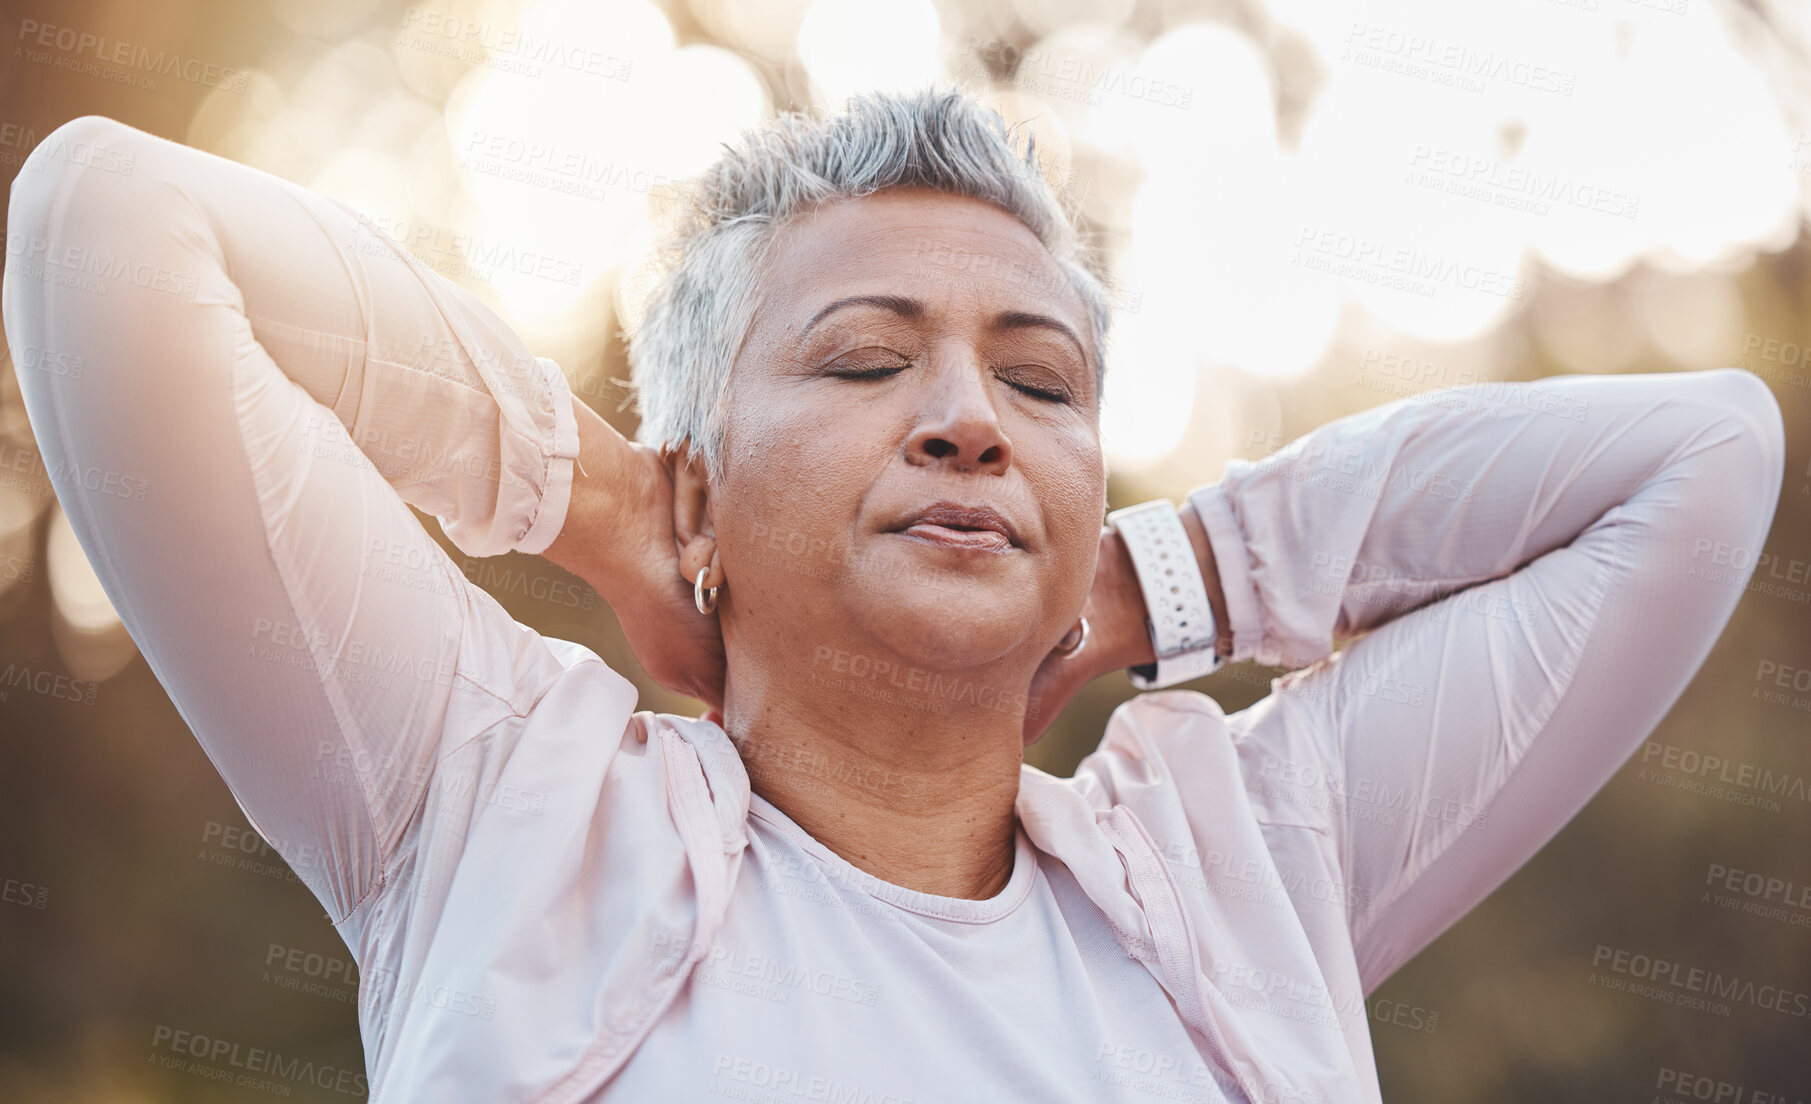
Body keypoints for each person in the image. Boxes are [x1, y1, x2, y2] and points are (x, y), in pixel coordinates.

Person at [2, 88, 1784, 1103]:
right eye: (862, 361)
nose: (964, 421)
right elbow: (107, 223)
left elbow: (1700, 459)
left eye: (1042, 383)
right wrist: (611, 502)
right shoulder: (492, 804)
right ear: (708, 477)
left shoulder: (1255, 864)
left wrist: (1165, 579)